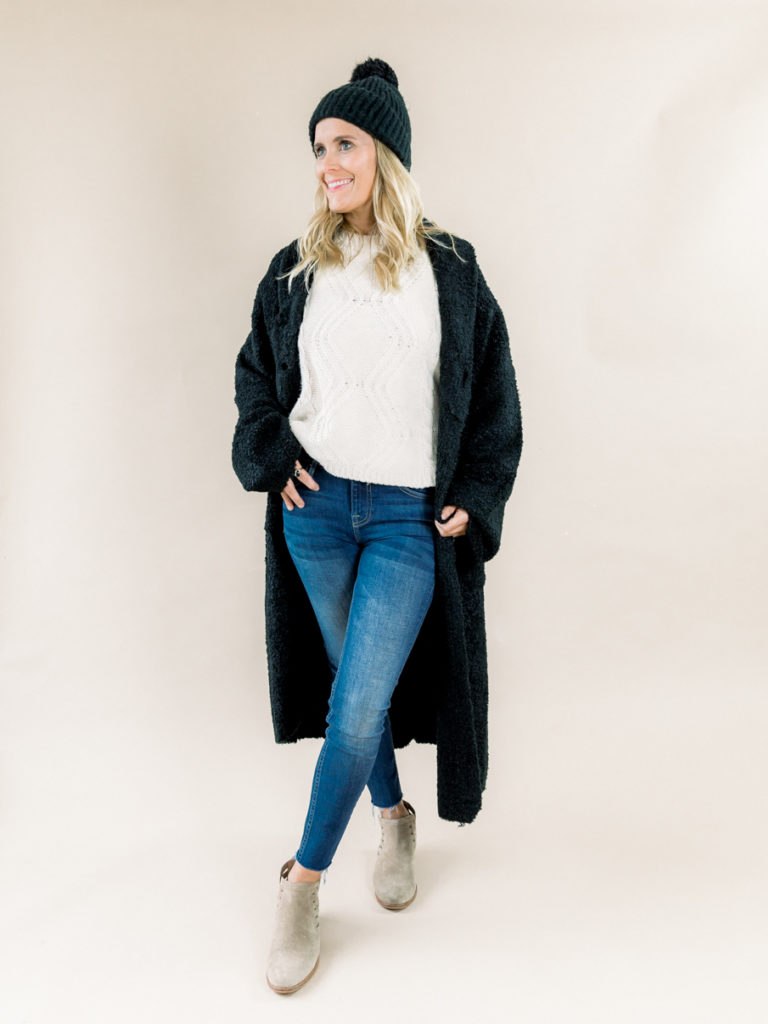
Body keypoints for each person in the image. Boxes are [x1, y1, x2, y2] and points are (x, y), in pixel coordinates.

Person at [231, 57, 523, 994]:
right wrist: (270, 453)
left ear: (385, 154)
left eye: (344, 144)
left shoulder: (451, 268)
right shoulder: (294, 268)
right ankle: (391, 817)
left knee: (358, 705)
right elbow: (254, 379)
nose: (326, 163)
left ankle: (300, 883)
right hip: (314, 513)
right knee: (356, 695)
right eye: (318, 147)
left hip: (404, 520)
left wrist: (477, 490)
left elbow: (494, 394)